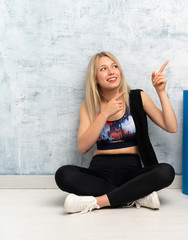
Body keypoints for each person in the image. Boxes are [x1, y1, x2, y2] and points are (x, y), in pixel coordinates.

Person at [55, 51, 178, 214]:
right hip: (100, 172)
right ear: (95, 79)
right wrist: (105, 114)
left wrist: (161, 91)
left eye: (114, 66)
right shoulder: (89, 105)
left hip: (132, 171)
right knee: (63, 175)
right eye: (103, 69)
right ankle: (135, 196)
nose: (112, 71)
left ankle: (98, 202)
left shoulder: (137, 97)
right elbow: (83, 146)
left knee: (166, 172)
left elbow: (171, 127)